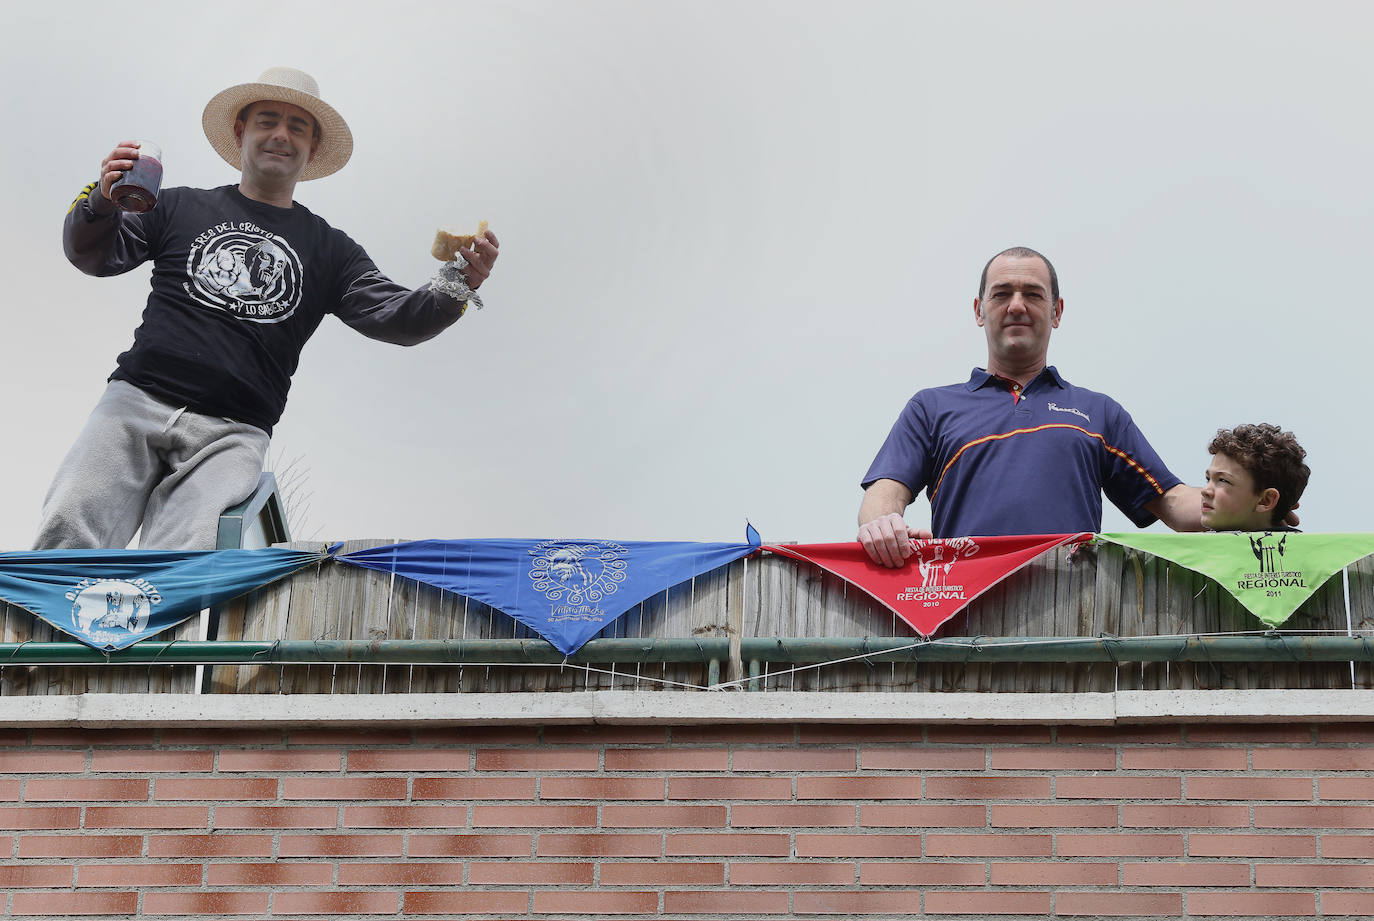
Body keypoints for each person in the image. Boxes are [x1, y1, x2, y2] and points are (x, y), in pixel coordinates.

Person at [36, 66, 499, 551]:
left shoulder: (331, 252)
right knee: (68, 525)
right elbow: (96, 255)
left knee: (182, 559)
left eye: (297, 126)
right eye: (267, 120)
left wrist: (458, 282)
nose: (281, 134)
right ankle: (41, 627)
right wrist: (103, 201)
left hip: (232, 434)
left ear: (312, 147)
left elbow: (400, 317)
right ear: (241, 132)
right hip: (135, 403)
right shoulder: (174, 207)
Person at [857, 246, 1203, 567]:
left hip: (1068, 616)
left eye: (1033, 294)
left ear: (1057, 311)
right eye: (1002, 293)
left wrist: (1247, 501)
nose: (1017, 306)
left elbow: (1174, 503)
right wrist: (884, 526)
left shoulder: (1099, 413)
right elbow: (883, 495)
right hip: (964, 615)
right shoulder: (930, 408)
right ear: (979, 310)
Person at [1201, 423, 1309, 532]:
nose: (1205, 491)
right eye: (1208, 479)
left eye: (1223, 480)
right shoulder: (1194, 545)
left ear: (1265, 500)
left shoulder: (1299, 548)